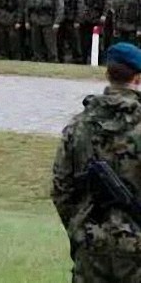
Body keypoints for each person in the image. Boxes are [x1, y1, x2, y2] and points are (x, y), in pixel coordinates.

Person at [52, 43, 141, 282]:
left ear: (108, 74)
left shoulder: (78, 126)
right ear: (138, 78)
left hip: (90, 244)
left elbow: (61, 189)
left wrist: (79, 229)